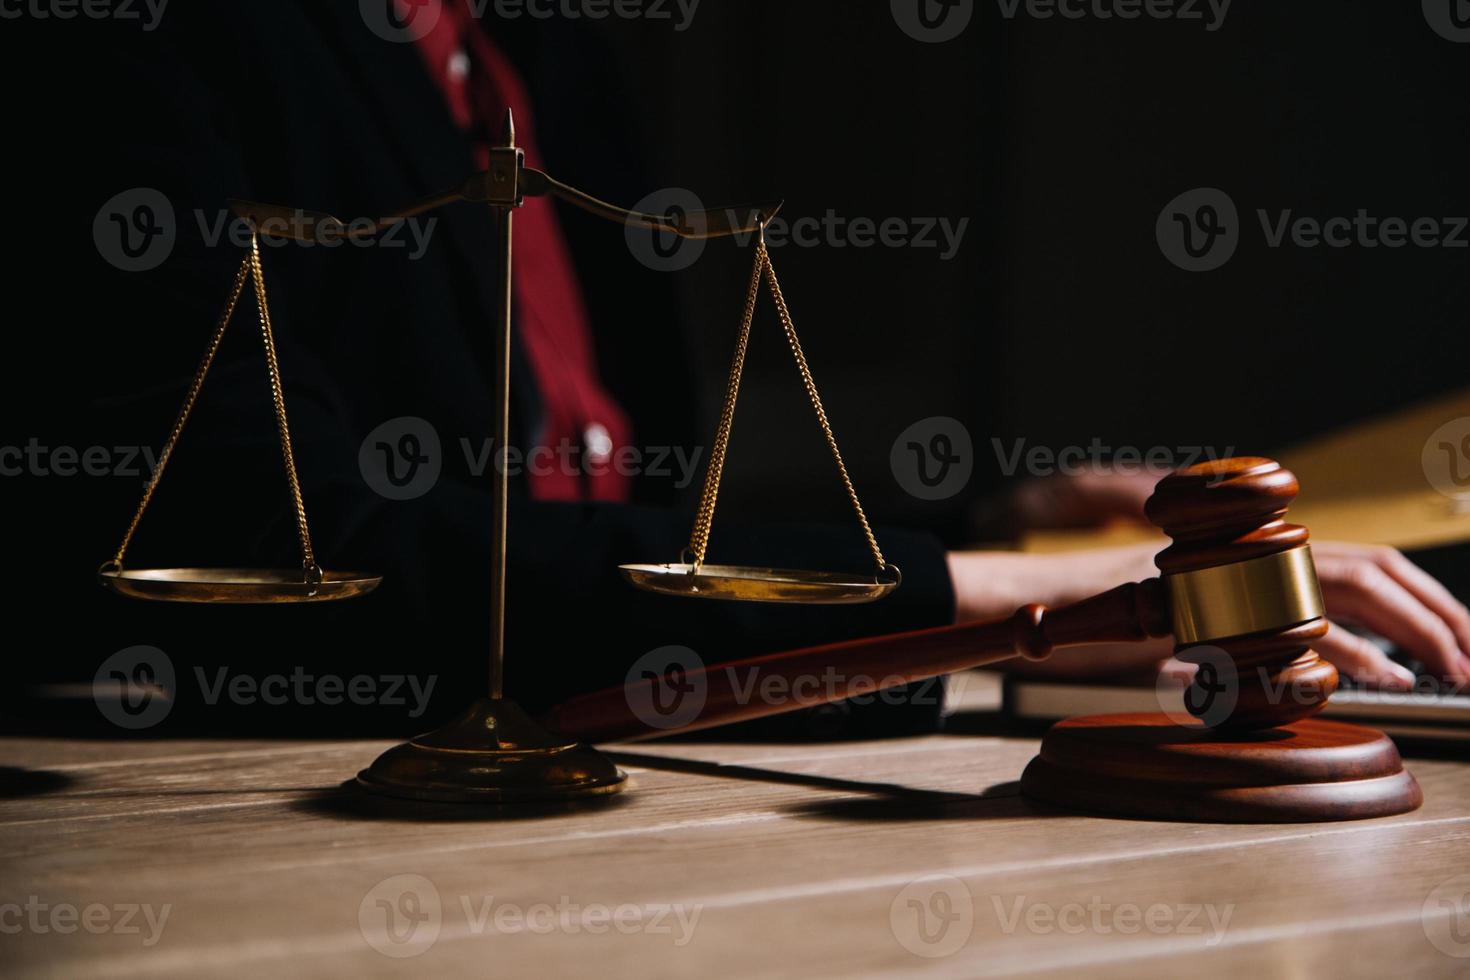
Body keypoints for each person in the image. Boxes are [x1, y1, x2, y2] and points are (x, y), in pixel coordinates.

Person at [23, 2, 1466, 734]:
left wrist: (993, 545)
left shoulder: (532, 45)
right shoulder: (136, 45)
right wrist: (1021, 605)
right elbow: (275, 559)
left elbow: (576, 531)